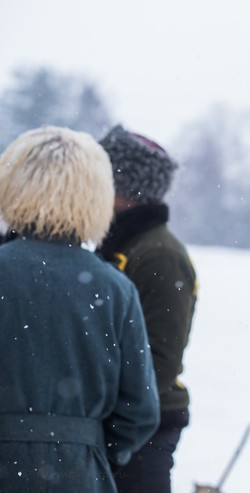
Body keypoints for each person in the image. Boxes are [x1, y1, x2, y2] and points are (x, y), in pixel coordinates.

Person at [0, 126, 160, 492]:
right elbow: (140, 410)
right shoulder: (115, 289)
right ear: (95, 197)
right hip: (79, 475)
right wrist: (83, 446)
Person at [97, 124, 198, 493]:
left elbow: (159, 360)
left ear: (125, 188)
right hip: (122, 422)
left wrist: (117, 425)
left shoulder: (158, 254)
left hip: (146, 429)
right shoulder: (116, 243)